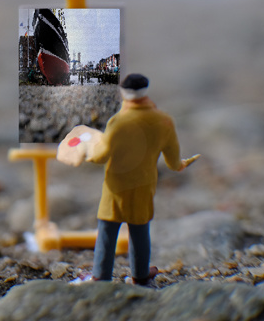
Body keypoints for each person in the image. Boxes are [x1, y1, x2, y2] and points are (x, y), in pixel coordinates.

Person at [58, 73, 197, 285]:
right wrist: (183, 164)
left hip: (117, 187)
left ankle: (101, 275)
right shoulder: (164, 121)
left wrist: (85, 147)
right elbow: (173, 162)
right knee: (140, 232)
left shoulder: (118, 122)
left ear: (123, 93)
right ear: (145, 91)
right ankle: (140, 275)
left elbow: (101, 156)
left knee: (107, 231)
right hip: (144, 186)